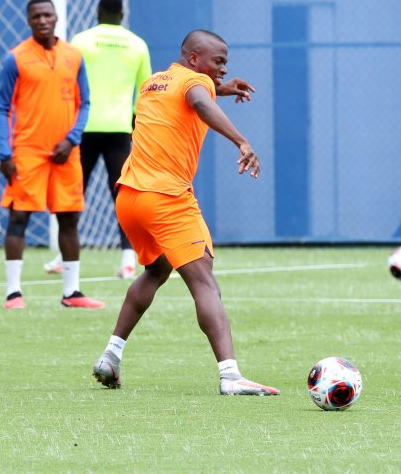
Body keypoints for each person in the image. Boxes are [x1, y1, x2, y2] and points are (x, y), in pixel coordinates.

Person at [92, 29, 279, 396]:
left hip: (129, 197)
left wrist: (220, 88)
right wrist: (241, 141)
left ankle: (110, 356)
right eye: (219, 62)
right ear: (194, 58)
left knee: (157, 270)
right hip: (166, 197)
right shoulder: (197, 84)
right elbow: (198, 100)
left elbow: (187, 95)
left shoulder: (153, 83)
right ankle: (230, 376)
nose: (224, 69)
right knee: (205, 282)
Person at [0, 0, 103, 309]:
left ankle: (72, 293)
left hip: (66, 152)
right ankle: (13, 293)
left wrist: (72, 139)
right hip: (27, 151)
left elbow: (85, 103)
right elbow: (2, 108)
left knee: (69, 218)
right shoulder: (15, 58)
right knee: (19, 217)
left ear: (56, 18)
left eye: (47, 15)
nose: (42, 20)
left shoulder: (74, 56)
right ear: (28, 20)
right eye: (36, 16)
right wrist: (4, 152)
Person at [43, 0, 151, 279]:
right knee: (122, 194)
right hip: (120, 129)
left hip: (82, 127)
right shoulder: (137, 44)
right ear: (122, 14)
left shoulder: (81, 41)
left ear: (98, 13)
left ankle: (64, 256)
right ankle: (128, 259)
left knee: (74, 191)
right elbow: (145, 91)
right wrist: (133, 121)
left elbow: (66, 82)